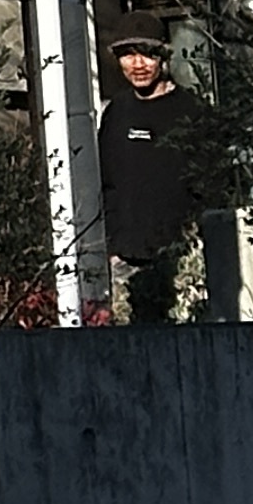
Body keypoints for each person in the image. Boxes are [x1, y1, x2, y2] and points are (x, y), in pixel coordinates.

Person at [96, 20, 206, 322]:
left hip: (181, 258)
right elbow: (106, 180)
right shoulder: (117, 111)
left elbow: (210, 185)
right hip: (124, 260)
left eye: (147, 54)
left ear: (163, 56)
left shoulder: (191, 111)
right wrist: (111, 247)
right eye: (128, 55)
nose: (138, 64)